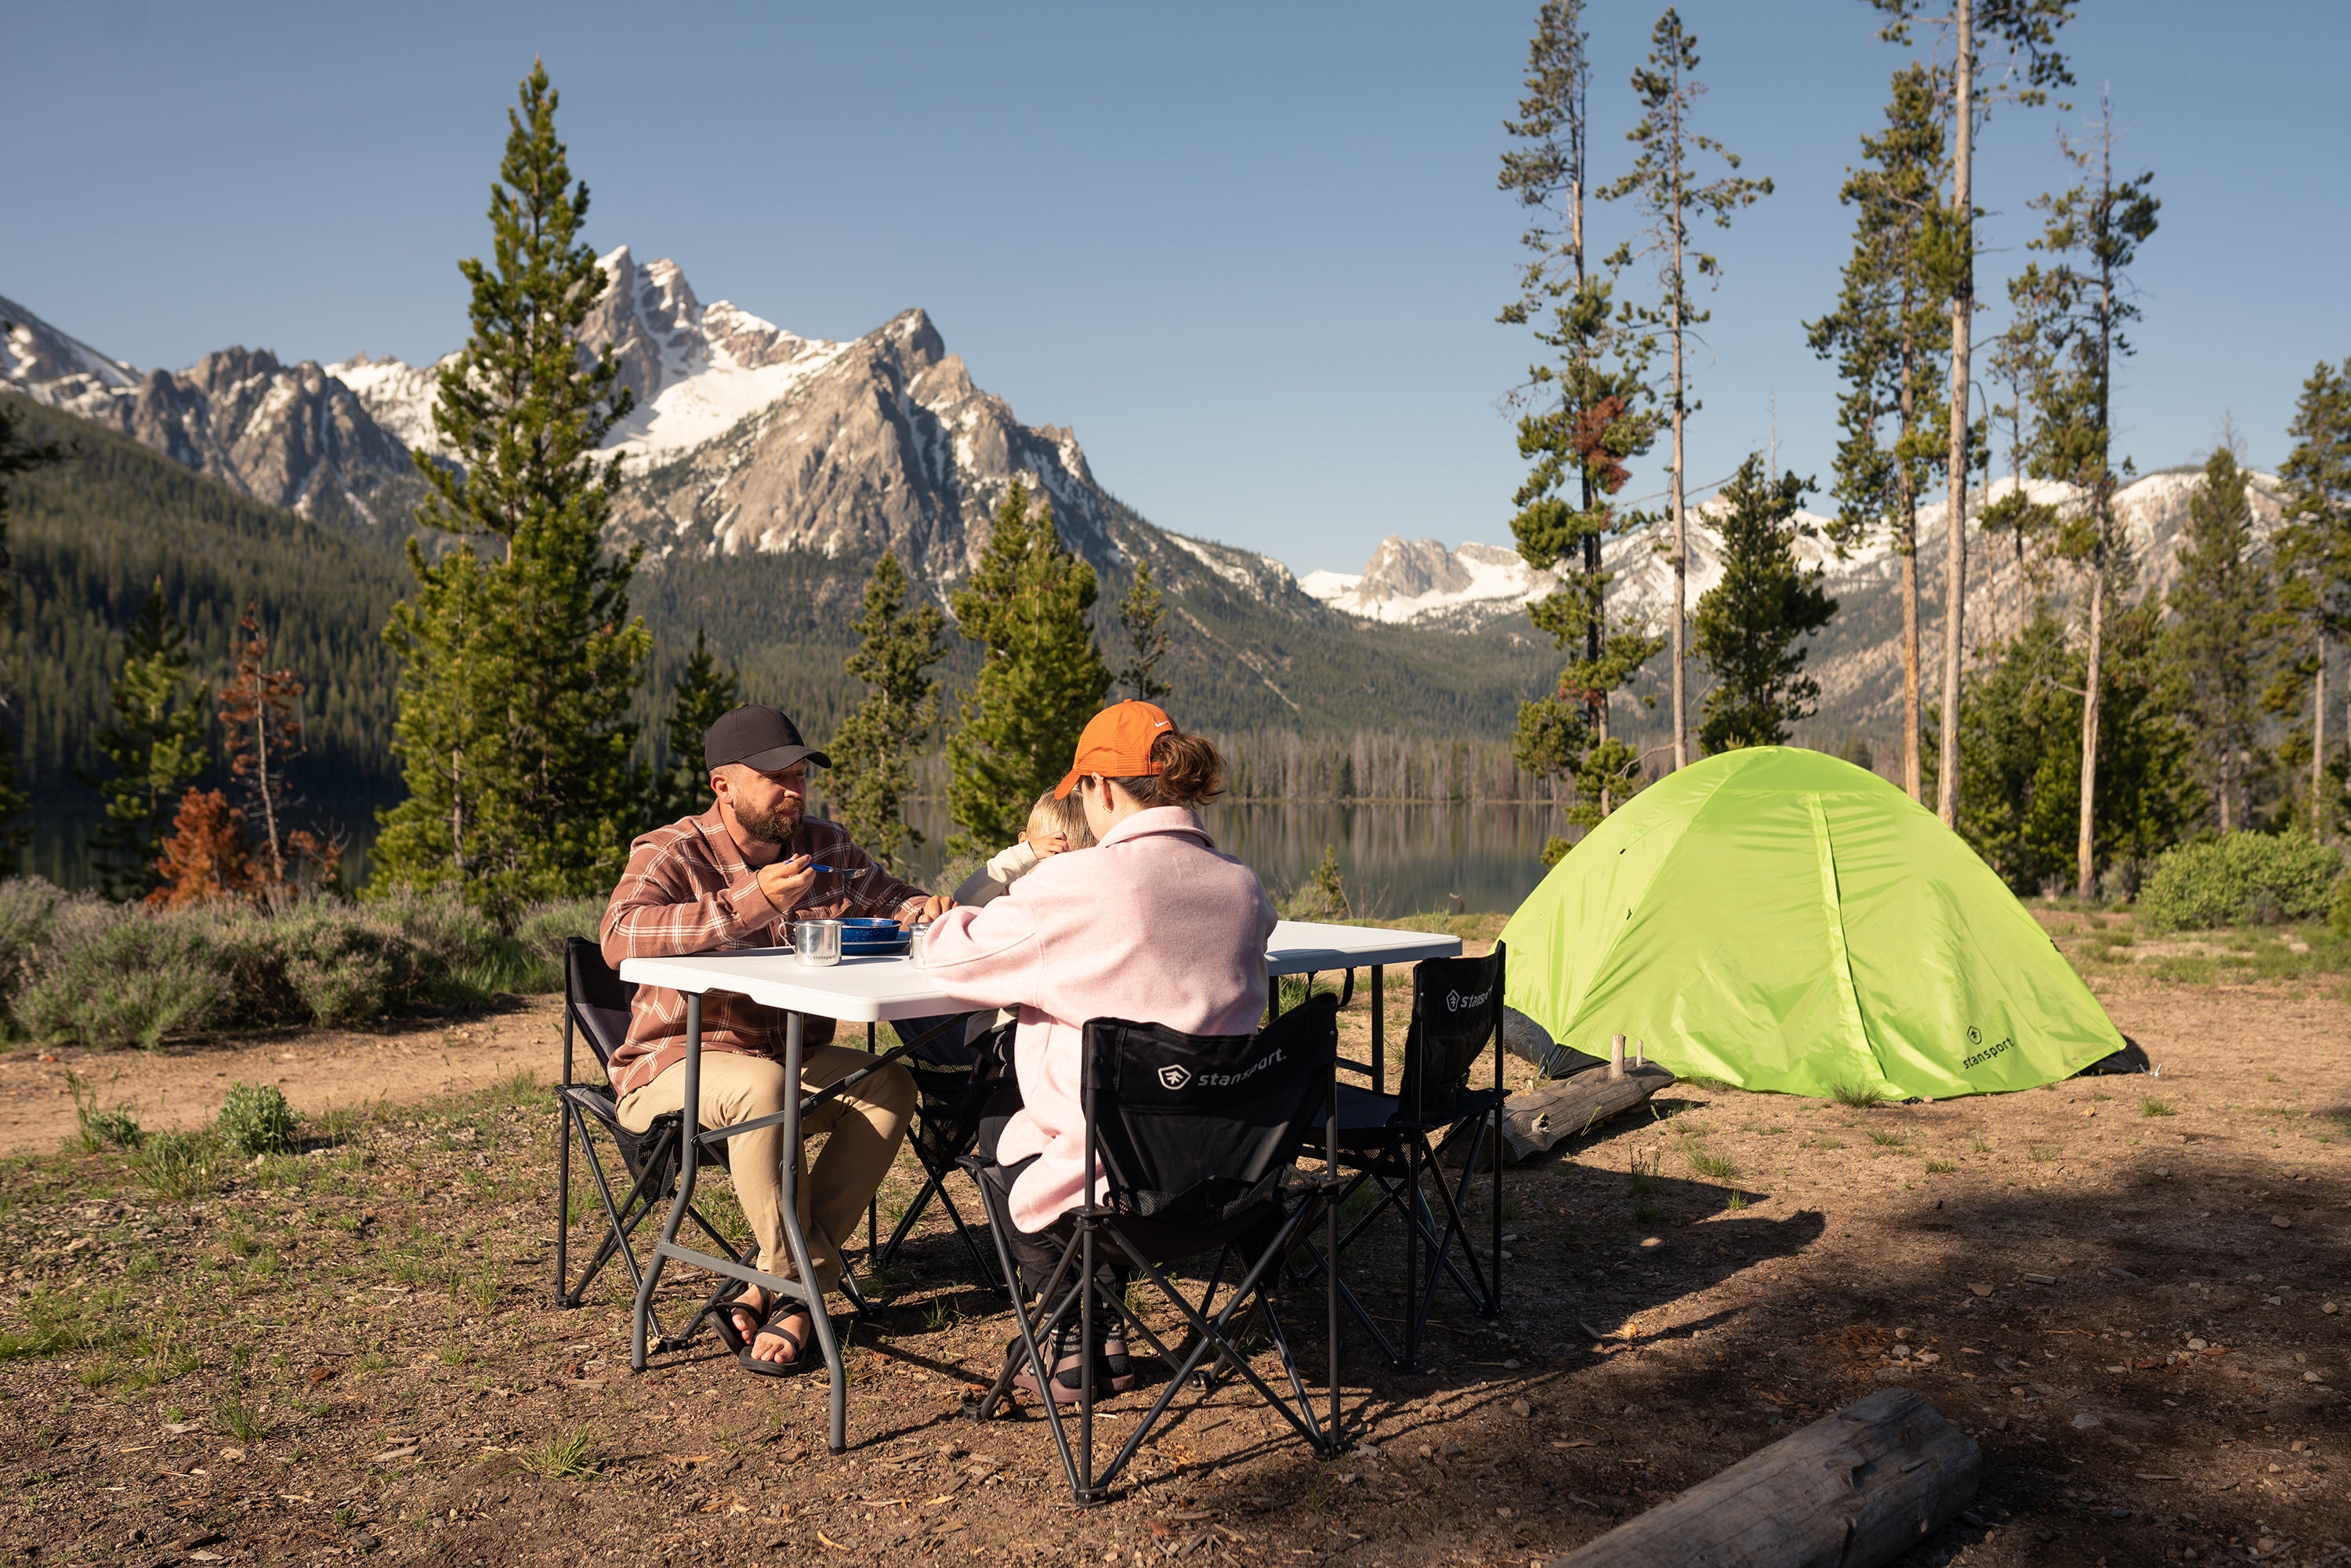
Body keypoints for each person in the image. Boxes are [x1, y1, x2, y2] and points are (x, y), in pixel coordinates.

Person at [919, 701, 1276, 1399]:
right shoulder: (1243, 886)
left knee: (1007, 1132)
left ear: (1101, 788)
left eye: (1081, 789)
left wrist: (943, 918)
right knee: (1065, 1118)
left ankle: (1073, 1323)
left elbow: (952, 962)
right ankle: (1093, 1328)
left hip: (1114, 1178)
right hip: (1230, 1166)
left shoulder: (1077, 885)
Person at [601, 704, 953, 1374]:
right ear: (723, 785)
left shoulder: (826, 844)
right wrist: (749, 902)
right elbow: (619, 934)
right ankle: (805, 1287)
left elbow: (890, 898)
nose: (794, 789)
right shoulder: (672, 850)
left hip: (787, 1055)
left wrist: (925, 910)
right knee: (762, 1088)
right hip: (672, 1064)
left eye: (798, 773)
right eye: (775, 777)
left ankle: (769, 1276)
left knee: (888, 1084)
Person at [952, 789, 1096, 909]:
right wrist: (1022, 855)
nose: (1062, 876)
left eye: (1076, 865)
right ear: (1025, 845)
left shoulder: (1086, 900)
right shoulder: (1006, 896)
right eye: (1053, 856)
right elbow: (964, 900)